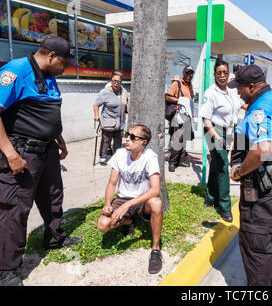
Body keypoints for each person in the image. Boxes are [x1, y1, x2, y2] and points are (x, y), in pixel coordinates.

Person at [0, 35, 83, 286]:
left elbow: (47, 111)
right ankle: (7, 270)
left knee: (53, 196)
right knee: (14, 209)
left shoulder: (50, 77)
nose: (66, 67)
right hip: (22, 153)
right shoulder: (16, 71)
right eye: (64, 62)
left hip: (47, 152)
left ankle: (55, 238)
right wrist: (10, 154)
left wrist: (59, 139)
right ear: (51, 56)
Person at [228, 65, 272, 286]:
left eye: (238, 87)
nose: (237, 92)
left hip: (262, 187)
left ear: (251, 86)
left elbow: (262, 149)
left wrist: (240, 171)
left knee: (256, 243)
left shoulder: (261, 109)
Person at [97, 124, 163, 274]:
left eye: (133, 137)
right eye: (128, 134)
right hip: (122, 198)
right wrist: (108, 204)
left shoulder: (150, 157)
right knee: (103, 225)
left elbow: (155, 189)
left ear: (143, 142)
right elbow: (112, 183)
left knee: (156, 203)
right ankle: (128, 221)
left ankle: (156, 249)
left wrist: (128, 205)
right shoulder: (120, 154)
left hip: (141, 201)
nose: (128, 139)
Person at [199, 60, 244, 223]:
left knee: (217, 164)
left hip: (229, 130)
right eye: (219, 73)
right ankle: (225, 206)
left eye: (225, 72)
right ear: (214, 74)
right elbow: (206, 119)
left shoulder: (232, 90)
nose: (222, 76)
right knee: (224, 166)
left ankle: (210, 197)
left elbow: (240, 105)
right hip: (213, 130)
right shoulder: (210, 93)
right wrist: (216, 137)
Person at [93, 71, 128, 165]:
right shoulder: (105, 92)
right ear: (110, 81)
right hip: (109, 119)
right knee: (106, 140)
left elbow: (126, 102)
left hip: (120, 121)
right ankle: (103, 157)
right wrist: (96, 115)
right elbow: (96, 105)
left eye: (118, 82)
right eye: (114, 81)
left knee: (118, 140)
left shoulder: (123, 91)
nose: (116, 83)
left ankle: (116, 156)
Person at [166, 65, 195, 172]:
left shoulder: (190, 85)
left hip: (187, 117)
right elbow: (168, 97)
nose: (189, 75)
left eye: (191, 73)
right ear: (183, 73)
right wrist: (180, 100)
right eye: (187, 73)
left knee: (184, 140)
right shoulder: (177, 83)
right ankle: (172, 162)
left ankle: (181, 160)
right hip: (177, 116)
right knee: (177, 139)